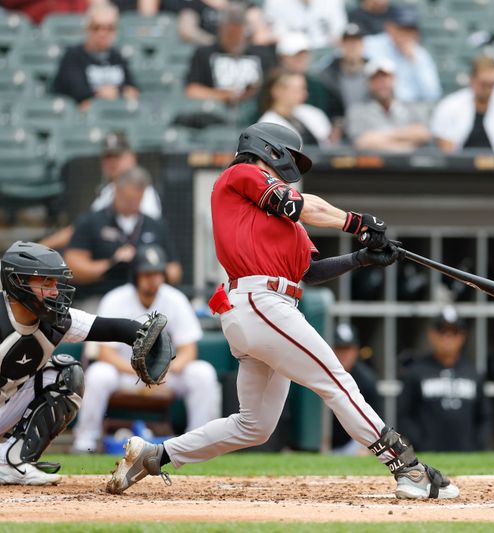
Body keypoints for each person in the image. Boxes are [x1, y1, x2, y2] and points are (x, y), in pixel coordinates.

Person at [106, 122, 460, 500]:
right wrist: (357, 222)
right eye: (288, 158)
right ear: (269, 150)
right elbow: (298, 205)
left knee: (254, 425)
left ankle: (155, 455)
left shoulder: (280, 222)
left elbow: (308, 271)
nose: (290, 169)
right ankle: (408, 468)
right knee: (336, 380)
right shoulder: (241, 175)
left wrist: (361, 258)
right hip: (260, 302)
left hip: (265, 310)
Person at [0, 241, 171, 487]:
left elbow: (109, 327)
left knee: (68, 375)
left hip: (5, 404)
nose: (55, 291)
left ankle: (11, 461)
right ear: (17, 282)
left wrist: (140, 335)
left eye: (55, 282)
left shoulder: (55, 320)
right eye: (46, 283)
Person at [72, 244, 219, 453]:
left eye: (158, 273)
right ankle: (85, 441)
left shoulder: (175, 299)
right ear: (136, 275)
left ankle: (197, 444)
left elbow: (189, 350)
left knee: (202, 372)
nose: (154, 280)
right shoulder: (115, 298)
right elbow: (105, 353)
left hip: (164, 377)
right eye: (148, 274)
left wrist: (161, 372)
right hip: (127, 374)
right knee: (98, 374)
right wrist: (140, 371)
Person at [64, 166, 182, 312]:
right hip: (100, 296)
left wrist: (148, 266)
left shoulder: (156, 225)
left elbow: (175, 270)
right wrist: (111, 264)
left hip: (146, 299)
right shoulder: (91, 221)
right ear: (116, 190)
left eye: (137, 198)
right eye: (128, 198)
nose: (132, 203)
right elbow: (72, 267)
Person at [41, 131, 162, 251]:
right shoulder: (109, 191)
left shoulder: (143, 192)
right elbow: (83, 228)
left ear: (132, 157)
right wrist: (40, 247)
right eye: (108, 157)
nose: (112, 162)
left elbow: (146, 234)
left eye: (117, 156)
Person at [397, 307, 491, 452]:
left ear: (462, 336)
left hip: (467, 452)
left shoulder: (473, 373)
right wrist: (420, 443)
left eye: (454, 332)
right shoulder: (415, 372)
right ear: (431, 334)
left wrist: (476, 445)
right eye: (442, 331)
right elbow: (404, 414)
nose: (447, 338)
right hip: (428, 453)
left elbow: (485, 416)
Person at [51, 3, 139, 111]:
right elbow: (77, 94)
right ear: (87, 28)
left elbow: (132, 90)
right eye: (96, 27)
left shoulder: (118, 57)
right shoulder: (73, 56)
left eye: (109, 28)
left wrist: (115, 92)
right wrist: (106, 94)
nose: (103, 33)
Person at [431, 55, 494, 154]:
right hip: (459, 167)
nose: (488, 90)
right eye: (484, 84)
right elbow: (447, 153)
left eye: (492, 84)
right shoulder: (449, 106)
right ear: (472, 79)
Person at [183, 3, 272, 107]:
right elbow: (192, 90)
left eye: (237, 31)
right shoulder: (205, 53)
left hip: (255, 110)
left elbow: (272, 86)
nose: (233, 37)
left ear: (245, 30)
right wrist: (227, 95)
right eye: (230, 32)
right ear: (221, 29)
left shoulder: (261, 53)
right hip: (216, 110)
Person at [345, 57, 432, 152]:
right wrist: (407, 141)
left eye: (385, 78)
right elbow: (362, 142)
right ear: (369, 83)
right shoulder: (358, 111)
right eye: (376, 79)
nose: (382, 83)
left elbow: (423, 134)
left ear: (394, 79)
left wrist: (379, 137)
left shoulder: (412, 107)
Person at [362, 6, 441, 103]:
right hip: (376, 106)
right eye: (401, 29)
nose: (405, 34)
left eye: (410, 30)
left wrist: (415, 61)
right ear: (389, 28)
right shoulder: (371, 45)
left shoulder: (420, 55)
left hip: (411, 109)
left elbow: (432, 94)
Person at [330, 323, 382, 454]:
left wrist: (366, 449)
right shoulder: (317, 372)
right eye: (339, 348)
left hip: (351, 444)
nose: (344, 354)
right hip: (321, 441)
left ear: (356, 350)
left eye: (348, 348)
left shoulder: (366, 379)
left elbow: (377, 418)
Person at [313, 23, 369, 139]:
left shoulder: (374, 70)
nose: (352, 46)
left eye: (356, 42)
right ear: (341, 45)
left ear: (363, 44)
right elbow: (325, 107)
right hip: (340, 130)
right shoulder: (328, 74)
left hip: (369, 127)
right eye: (348, 42)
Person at [258, 70, 333, 146]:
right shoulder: (267, 125)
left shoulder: (312, 112)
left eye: (304, 88)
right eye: (297, 89)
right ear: (277, 91)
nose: (304, 93)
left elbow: (327, 142)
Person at [262, 0, 346, 49]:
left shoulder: (332, 2)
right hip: (293, 53)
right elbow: (275, 37)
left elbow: (339, 33)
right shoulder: (275, 3)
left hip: (326, 52)